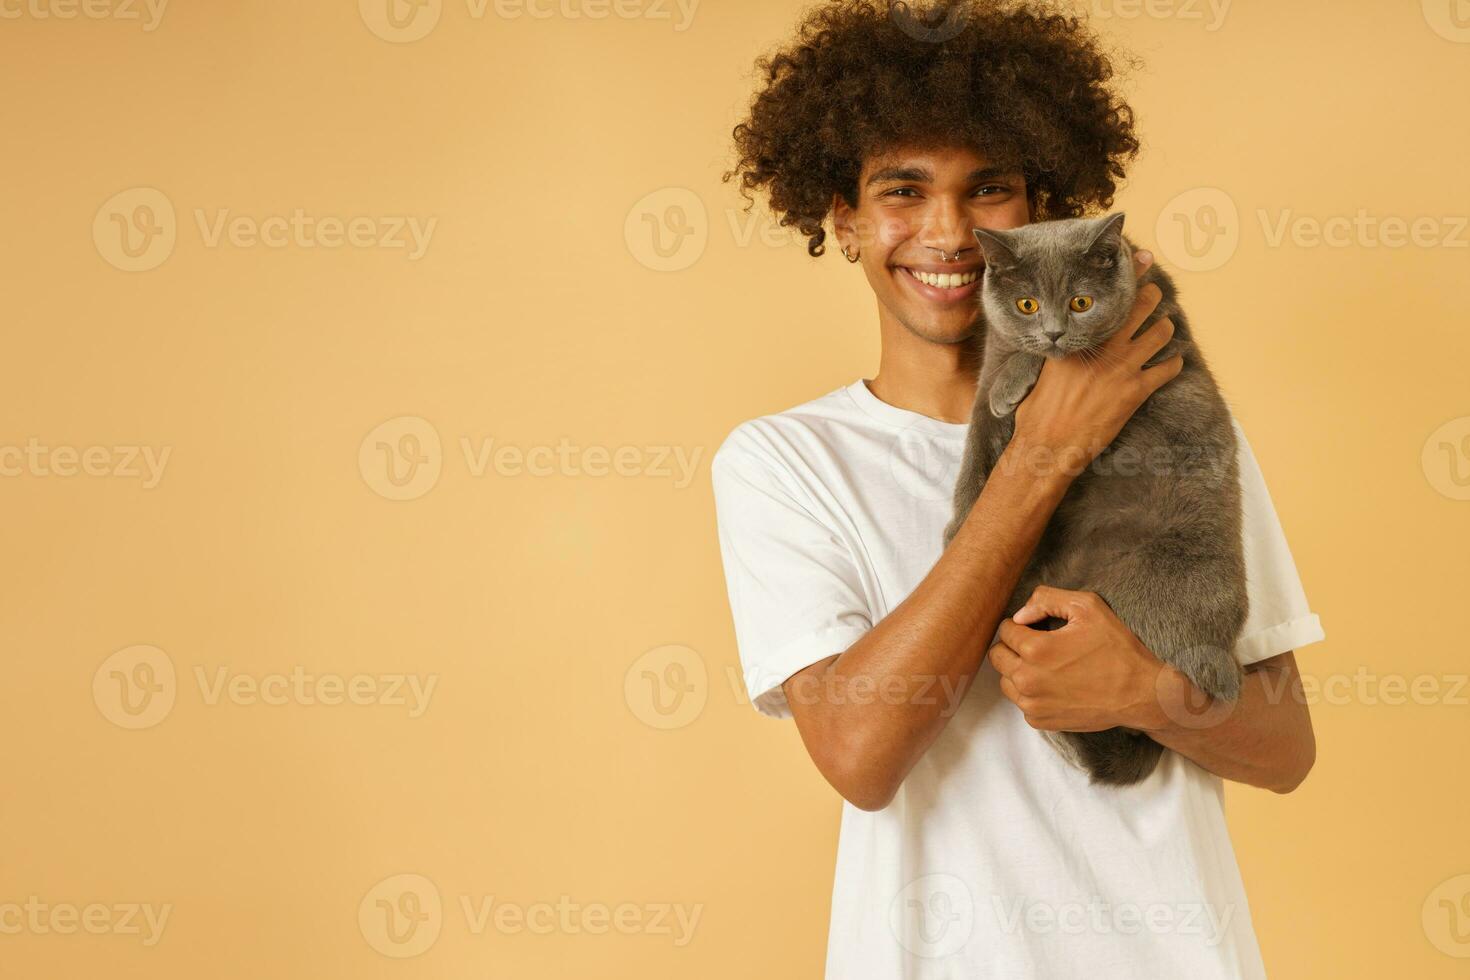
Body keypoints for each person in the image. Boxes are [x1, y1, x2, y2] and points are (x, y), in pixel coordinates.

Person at [710, 2, 1326, 977]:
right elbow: (861, 754)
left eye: (987, 187)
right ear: (843, 215)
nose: (947, 232)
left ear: (1040, 207)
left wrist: (1153, 691)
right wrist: (1043, 449)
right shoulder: (786, 462)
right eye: (902, 190)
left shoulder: (1169, 409)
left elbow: (1287, 743)